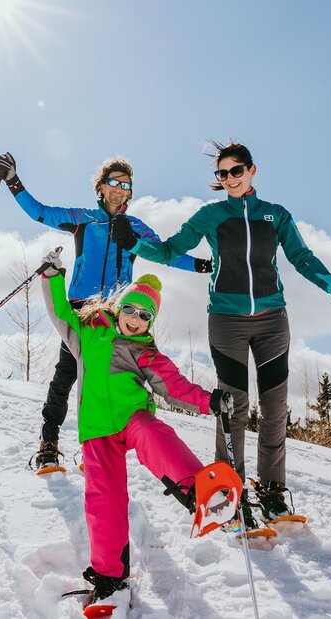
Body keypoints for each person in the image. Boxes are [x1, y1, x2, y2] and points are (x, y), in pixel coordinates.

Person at [111, 141, 331, 524]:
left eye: (236, 171)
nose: (229, 179)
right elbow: (169, 250)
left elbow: (302, 258)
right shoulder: (211, 215)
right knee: (232, 408)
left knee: (276, 407)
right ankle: (233, 492)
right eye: (222, 173)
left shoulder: (275, 215)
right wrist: (136, 245)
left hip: (272, 320)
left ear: (251, 171)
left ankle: (273, 491)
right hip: (226, 321)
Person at [37, 248, 233, 614]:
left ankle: (202, 491)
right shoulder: (88, 332)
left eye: (145, 316)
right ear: (120, 307)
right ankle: (110, 579)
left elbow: (173, 386)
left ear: (150, 323)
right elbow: (61, 313)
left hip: (131, 418)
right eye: (131, 309)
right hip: (96, 432)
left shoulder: (145, 352)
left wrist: (209, 401)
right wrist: (52, 277)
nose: (136, 319)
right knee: (103, 501)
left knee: (154, 435)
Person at [0, 152, 212, 472]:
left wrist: (204, 265)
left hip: (120, 317)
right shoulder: (83, 219)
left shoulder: (135, 228)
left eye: (126, 184)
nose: (119, 188)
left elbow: (166, 254)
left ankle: (96, 446)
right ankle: (49, 443)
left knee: (112, 381)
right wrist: (13, 181)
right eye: (113, 182)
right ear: (101, 188)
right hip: (84, 313)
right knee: (66, 375)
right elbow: (40, 212)